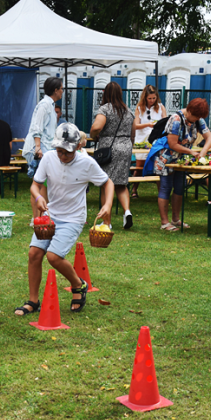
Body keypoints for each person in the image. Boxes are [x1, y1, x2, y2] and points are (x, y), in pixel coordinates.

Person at [14, 123, 113, 316]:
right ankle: (33, 302)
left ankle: (78, 285)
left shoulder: (87, 163)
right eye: (59, 151)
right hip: (51, 215)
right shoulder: (49, 158)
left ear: (77, 147)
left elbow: (107, 183)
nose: (62, 156)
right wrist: (39, 197)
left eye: (66, 152)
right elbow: (35, 185)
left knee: (53, 256)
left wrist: (107, 205)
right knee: (34, 254)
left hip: (73, 218)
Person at [150, 98, 211, 231]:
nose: (196, 120)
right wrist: (192, 152)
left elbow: (210, 138)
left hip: (182, 159)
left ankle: (176, 219)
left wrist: (203, 151)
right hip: (166, 158)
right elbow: (173, 144)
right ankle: (164, 222)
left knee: (179, 188)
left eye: (199, 117)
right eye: (195, 116)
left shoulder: (198, 119)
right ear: (189, 110)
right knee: (166, 188)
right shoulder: (176, 119)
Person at [90, 81, 136, 230]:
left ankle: (106, 222)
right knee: (121, 183)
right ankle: (127, 212)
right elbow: (133, 132)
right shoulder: (128, 111)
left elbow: (97, 126)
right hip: (126, 147)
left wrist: (94, 134)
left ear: (106, 93)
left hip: (110, 148)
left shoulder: (105, 109)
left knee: (106, 183)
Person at [23, 77, 62, 224]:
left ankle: (41, 216)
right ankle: (37, 219)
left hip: (45, 149)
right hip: (38, 150)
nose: (63, 91)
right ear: (55, 90)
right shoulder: (44, 105)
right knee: (38, 184)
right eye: (61, 89)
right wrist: (38, 148)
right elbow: (36, 128)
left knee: (42, 184)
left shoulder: (50, 105)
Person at [131, 85, 166, 199]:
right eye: (149, 98)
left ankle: (161, 193)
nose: (151, 101)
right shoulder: (139, 108)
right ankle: (134, 190)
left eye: (154, 98)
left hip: (156, 139)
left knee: (158, 165)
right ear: (145, 97)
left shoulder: (161, 107)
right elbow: (136, 125)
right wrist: (148, 124)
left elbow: (165, 122)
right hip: (142, 139)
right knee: (139, 166)